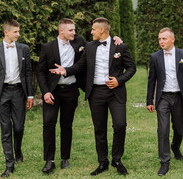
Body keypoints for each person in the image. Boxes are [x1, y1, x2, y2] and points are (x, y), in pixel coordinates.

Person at [51, 17, 136, 176]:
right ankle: (102, 162)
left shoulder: (120, 47)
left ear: (102, 30)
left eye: (93, 29)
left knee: (120, 125)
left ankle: (117, 159)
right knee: (99, 129)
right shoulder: (89, 47)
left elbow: (131, 68)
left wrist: (119, 80)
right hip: (96, 93)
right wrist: (66, 70)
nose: (91, 32)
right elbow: (80, 66)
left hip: (115, 93)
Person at [0, 19, 34, 178]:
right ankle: (9, 164)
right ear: (6, 32)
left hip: (19, 92)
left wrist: (30, 94)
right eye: (15, 32)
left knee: (19, 127)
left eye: (18, 31)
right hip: (2, 93)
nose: (18, 34)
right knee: (5, 128)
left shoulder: (24, 49)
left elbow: (28, 73)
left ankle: (18, 150)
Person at [146, 27, 183, 176]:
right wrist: (150, 100)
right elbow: (151, 80)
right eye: (160, 39)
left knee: (179, 128)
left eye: (164, 39)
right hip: (163, 98)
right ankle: (164, 161)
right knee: (163, 129)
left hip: (179, 97)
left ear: (172, 39)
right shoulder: (155, 57)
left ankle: (175, 146)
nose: (161, 41)